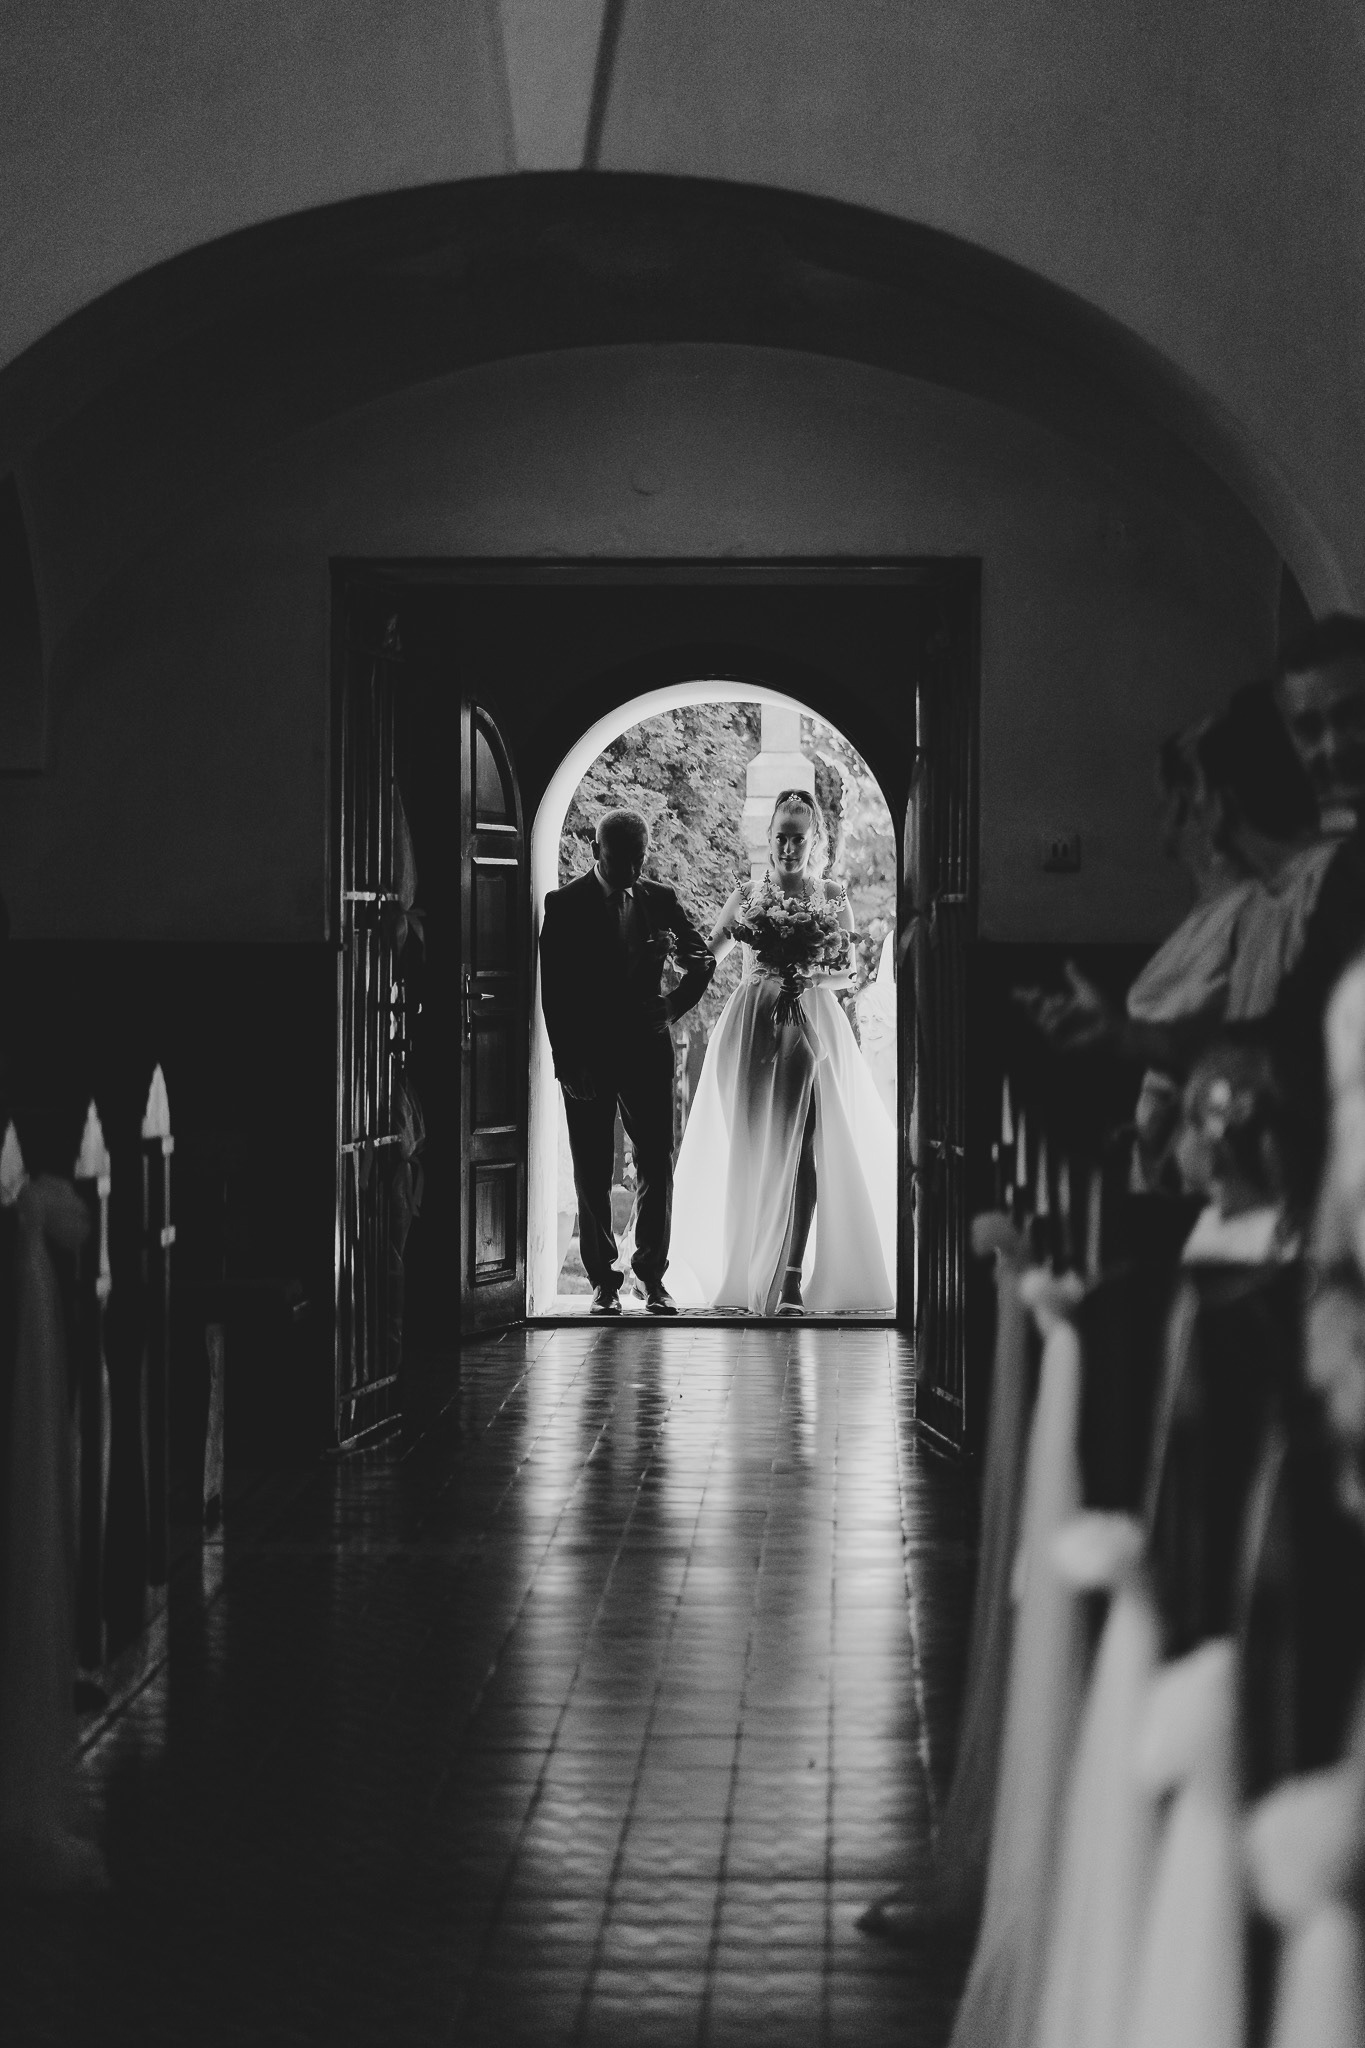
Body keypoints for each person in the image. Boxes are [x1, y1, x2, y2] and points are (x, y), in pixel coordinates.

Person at [669, 788, 896, 1314]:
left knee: (806, 1141)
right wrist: (671, 952)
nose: (789, 848)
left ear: (815, 842)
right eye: (781, 838)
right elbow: (707, 955)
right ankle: (755, 1267)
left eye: (799, 839)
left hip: (809, 1023)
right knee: (756, 1145)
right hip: (753, 1026)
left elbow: (847, 972)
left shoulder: (832, 895)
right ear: (768, 839)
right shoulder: (747, 896)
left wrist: (808, 975)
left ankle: (792, 1275)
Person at [539, 809, 714, 1316]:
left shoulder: (660, 899)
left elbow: (702, 958)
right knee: (592, 1169)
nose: (632, 872)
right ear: (596, 852)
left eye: (639, 861)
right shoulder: (564, 905)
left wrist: (674, 1005)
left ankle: (651, 1278)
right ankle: (602, 1283)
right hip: (588, 1058)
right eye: (620, 861)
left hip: (646, 1053)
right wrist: (567, 1063)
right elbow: (555, 992)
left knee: (656, 1162)